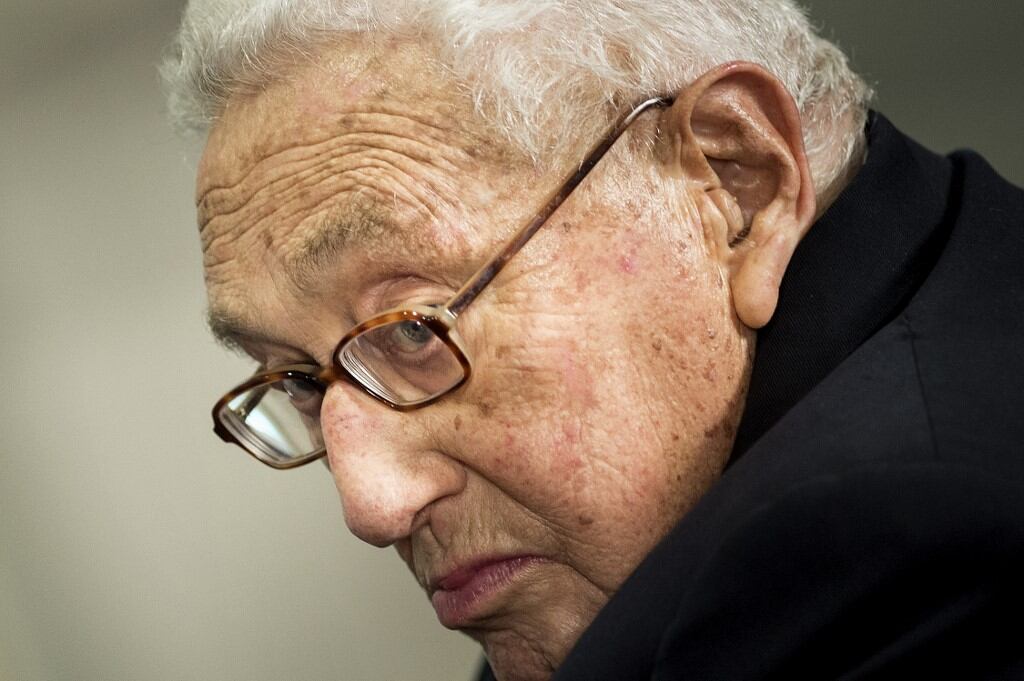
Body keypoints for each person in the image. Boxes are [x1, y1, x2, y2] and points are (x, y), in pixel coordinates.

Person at [162, 1, 1024, 679]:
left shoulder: (911, 566)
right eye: (301, 384)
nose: (372, 506)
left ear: (735, 183)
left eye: (415, 330)